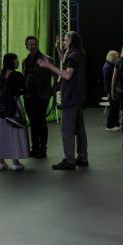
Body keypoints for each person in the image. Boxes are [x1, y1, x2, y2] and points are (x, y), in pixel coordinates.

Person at [39, 31, 88, 171]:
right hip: (78, 98)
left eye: (65, 40)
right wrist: (58, 48)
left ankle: (69, 160)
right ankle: (82, 158)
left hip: (71, 98)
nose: (64, 42)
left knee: (67, 131)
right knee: (80, 131)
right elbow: (66, 62)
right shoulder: (79, 54)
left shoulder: (74, 55)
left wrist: (49, 66)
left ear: (71, 40)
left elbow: (67, 74)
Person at [0, 53, 29, 171]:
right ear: (12, 62)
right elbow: (23, 89)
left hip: (3, 108)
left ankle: (1, 161)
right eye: (16, 60)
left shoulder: (2, 74)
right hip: (15, 105)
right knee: (16, 131)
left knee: (3, 133)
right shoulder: (17, 75)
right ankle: (15, 162)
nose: (18, 62)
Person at [22, 35, 54, 159]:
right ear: (27, 46)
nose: (33, 46)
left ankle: (43, 149)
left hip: (42, 96)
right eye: (31, 44)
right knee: (33, 123)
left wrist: (53, 90)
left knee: (41, 122)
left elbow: (56, 74)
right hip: (29, 96)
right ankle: (34, 148)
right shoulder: (25, 61)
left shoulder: (47, 59)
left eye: (35, 44)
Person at [102, 50, 121, 132]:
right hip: (111, 91)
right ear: (113, 58)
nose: (119, 58)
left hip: (114, 90)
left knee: (116, 107)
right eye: (117, 57)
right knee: (113, 108)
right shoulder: (108, 67)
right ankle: (109, 126)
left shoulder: (110, 66)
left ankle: (115, 123)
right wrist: (109, 93)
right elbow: (106, 82)